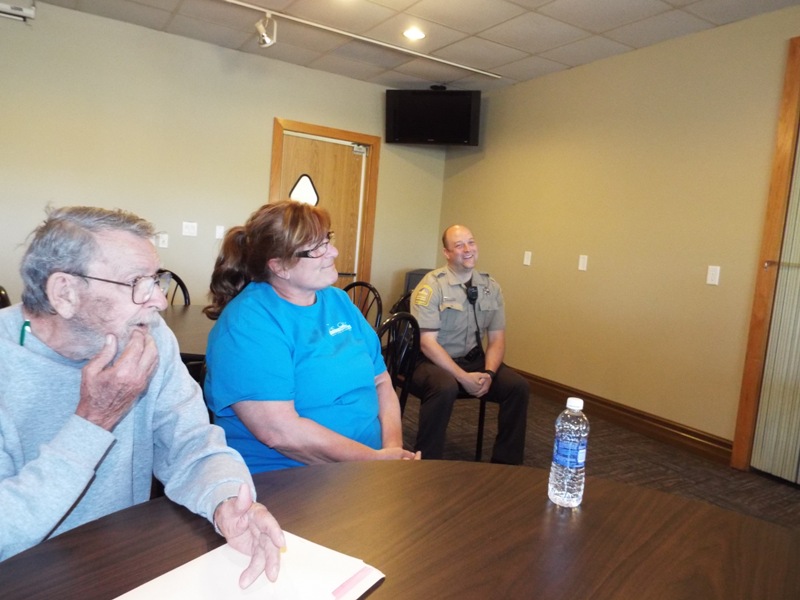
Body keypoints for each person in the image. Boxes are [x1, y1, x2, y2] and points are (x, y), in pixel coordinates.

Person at [0, 206, 285, 588]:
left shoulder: (147, 336)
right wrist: (94, 421)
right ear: (64, 293)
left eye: (155, 280)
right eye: (137, 282)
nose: (160, 302)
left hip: (122, 562)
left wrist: (227, 501)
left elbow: (190, 443)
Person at [203, 200, 419, 473]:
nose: (333, 252)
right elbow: (280, 432)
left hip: (368, 467)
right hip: (291, 479)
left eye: (327, 240)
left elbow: (381, 381)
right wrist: (374, 462)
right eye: (316, 248)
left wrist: (392, 451)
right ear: (279, 266)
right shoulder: (247, 324)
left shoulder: (339, 301)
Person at [410, 225, 529, 463]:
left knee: (518, 387)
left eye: (471, 242)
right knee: (445, 387)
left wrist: (489, 374)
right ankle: (426, 463)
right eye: (459, 245)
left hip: (473, 359)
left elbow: (496, 338)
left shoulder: (490, 287)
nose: (468, 249)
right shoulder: (431, 286)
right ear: (446, 253)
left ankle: (507, 465)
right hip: (431, 361)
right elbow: (427, 344)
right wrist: (463, 377)